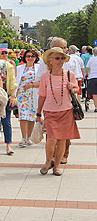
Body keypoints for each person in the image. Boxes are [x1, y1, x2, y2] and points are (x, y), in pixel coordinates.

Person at [37, 47, 80, 175]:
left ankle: (57, 166)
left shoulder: (69, 74)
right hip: (50, 111)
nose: (60, 61)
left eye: (62, 58)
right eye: (57, 58)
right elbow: (42, 96)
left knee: (62, 139)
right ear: (50, 60)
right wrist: (38, 113)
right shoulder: (45, 76)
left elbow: (76, 89)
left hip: (66, 111)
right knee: (51, 138)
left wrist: (73, 88)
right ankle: (47, 161)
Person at [0, 46, 17, 156]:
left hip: (4, 96)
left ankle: (8, 145)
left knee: (6, 121)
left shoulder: (7, 65)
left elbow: (13, 82)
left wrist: (13, 96)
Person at [16, 49, 40, 146]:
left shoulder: (39, 68)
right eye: (28, 56)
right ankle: (23, 138)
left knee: (31, 117)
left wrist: (32, 85)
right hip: (22, 95)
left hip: (34, 95)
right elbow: (16, 81)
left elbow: (43, 82)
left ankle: (29, 137)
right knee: (23, 116)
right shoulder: (20, 68)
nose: (30, 58)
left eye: (32, 56)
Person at [85, 47, 97, 112]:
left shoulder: (91, 59)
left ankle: (96, 107)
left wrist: (87, 74)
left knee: (95, 93)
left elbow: (87, 68)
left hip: (93, 77)